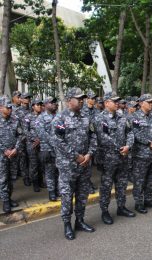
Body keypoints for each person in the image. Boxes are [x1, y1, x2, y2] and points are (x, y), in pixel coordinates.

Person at [51, 87, 97, 240]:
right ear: (69, 100)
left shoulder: (86, 117)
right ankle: (67, 224)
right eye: (79, 98)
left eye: (83, 98)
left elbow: (93, 137)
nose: (82, 101)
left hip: (84, 165)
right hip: (68, 166)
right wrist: (76, 156)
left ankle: (80, 221)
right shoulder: (60, 119)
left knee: (82, 195)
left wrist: (89, 154)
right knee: (67, 196)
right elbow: (58, 141)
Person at [95, 92, 136, 225]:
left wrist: (128, 146)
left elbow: (130, 132)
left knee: (122, 183)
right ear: (106, 103)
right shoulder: (100, 118)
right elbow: (103, 138)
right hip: (108, 159)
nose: (117, 103)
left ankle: (121, 207)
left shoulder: (122, 117)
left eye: (118, 101)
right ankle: (105, 211)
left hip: (123, 157)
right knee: (106, 186)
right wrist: (121, 148)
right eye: (114, 101)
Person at [130, 93, 152, 214]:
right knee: (139, 179)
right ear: (141, 103)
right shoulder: (134, 117)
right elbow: (135, 133)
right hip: (141, 155)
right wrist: (150, 143)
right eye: (148, 102)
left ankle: (148, 199)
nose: (151, 104)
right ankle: (138, 202)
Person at [0, 96, 22, 213]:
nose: (9, 109)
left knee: (12, 178)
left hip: (14, 154)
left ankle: (9, 197)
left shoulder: (15, 120)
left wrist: (16, 149)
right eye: (7, 107)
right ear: (0, 107)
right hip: (2, 155)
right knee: (3, 179)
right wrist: (4, 150)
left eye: (10, 107)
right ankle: (6, 202)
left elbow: (20, 135)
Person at [36, 96, 59, 201]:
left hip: (60, 149)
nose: (54, 104)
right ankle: (51, 192)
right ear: (45, 105)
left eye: (55, 102)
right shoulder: (41, 118)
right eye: (51, 102)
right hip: (48, 149)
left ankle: (58, 190)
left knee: (59, 170)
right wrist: (55, 142)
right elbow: (41, 133)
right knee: (50, 172)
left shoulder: (59, 116)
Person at [23, 98, 43, 192]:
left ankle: (40, 181)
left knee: (41, 163)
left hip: (42, 144)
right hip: (32, 145)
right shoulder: (28, 117)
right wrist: (34, 139)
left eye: (40, 104)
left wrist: (40, 139)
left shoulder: (43, 116)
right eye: (37, 104)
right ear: (33, 106)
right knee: (34, 164)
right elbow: (25, 130)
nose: (39, 106)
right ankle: (35, 183)